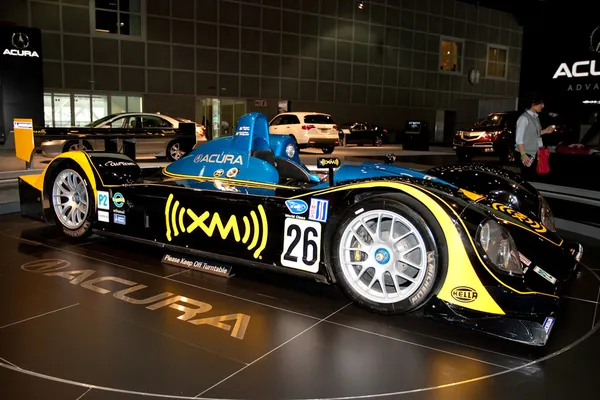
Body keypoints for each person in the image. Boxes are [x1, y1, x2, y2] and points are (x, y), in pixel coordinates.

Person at [515, 94, 555, 180]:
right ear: (533, 104)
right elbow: (519, 138)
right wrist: (523, 155)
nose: (543, 106)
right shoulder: (523, 118)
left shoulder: (535, 117)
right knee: (527, 178)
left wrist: (546, 131)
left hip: (534, 152)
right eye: (541, 103)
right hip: (526, 153)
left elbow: (534, 133)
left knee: (532, 177)